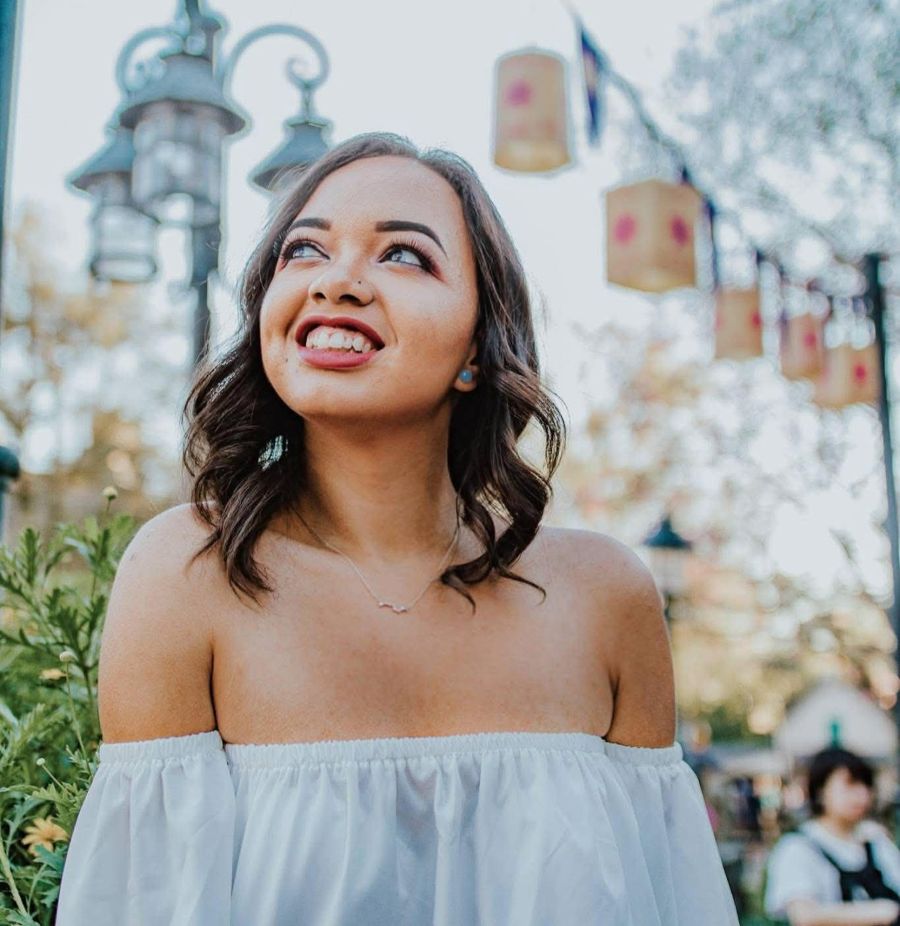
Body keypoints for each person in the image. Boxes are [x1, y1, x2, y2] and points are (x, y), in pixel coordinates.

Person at [55, 131, 739, 924]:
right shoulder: (188, 573)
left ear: (479, 349)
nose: (336, 282)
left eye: (404, 256)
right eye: (303, 251)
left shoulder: (605, 597)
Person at [764, 746, 900, 925]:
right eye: (849, 784)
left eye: (865, 785)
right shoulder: (797, 848)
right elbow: (804, 916)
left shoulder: (876, 842)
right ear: (820, 791)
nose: (861, 794)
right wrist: (881, 911)